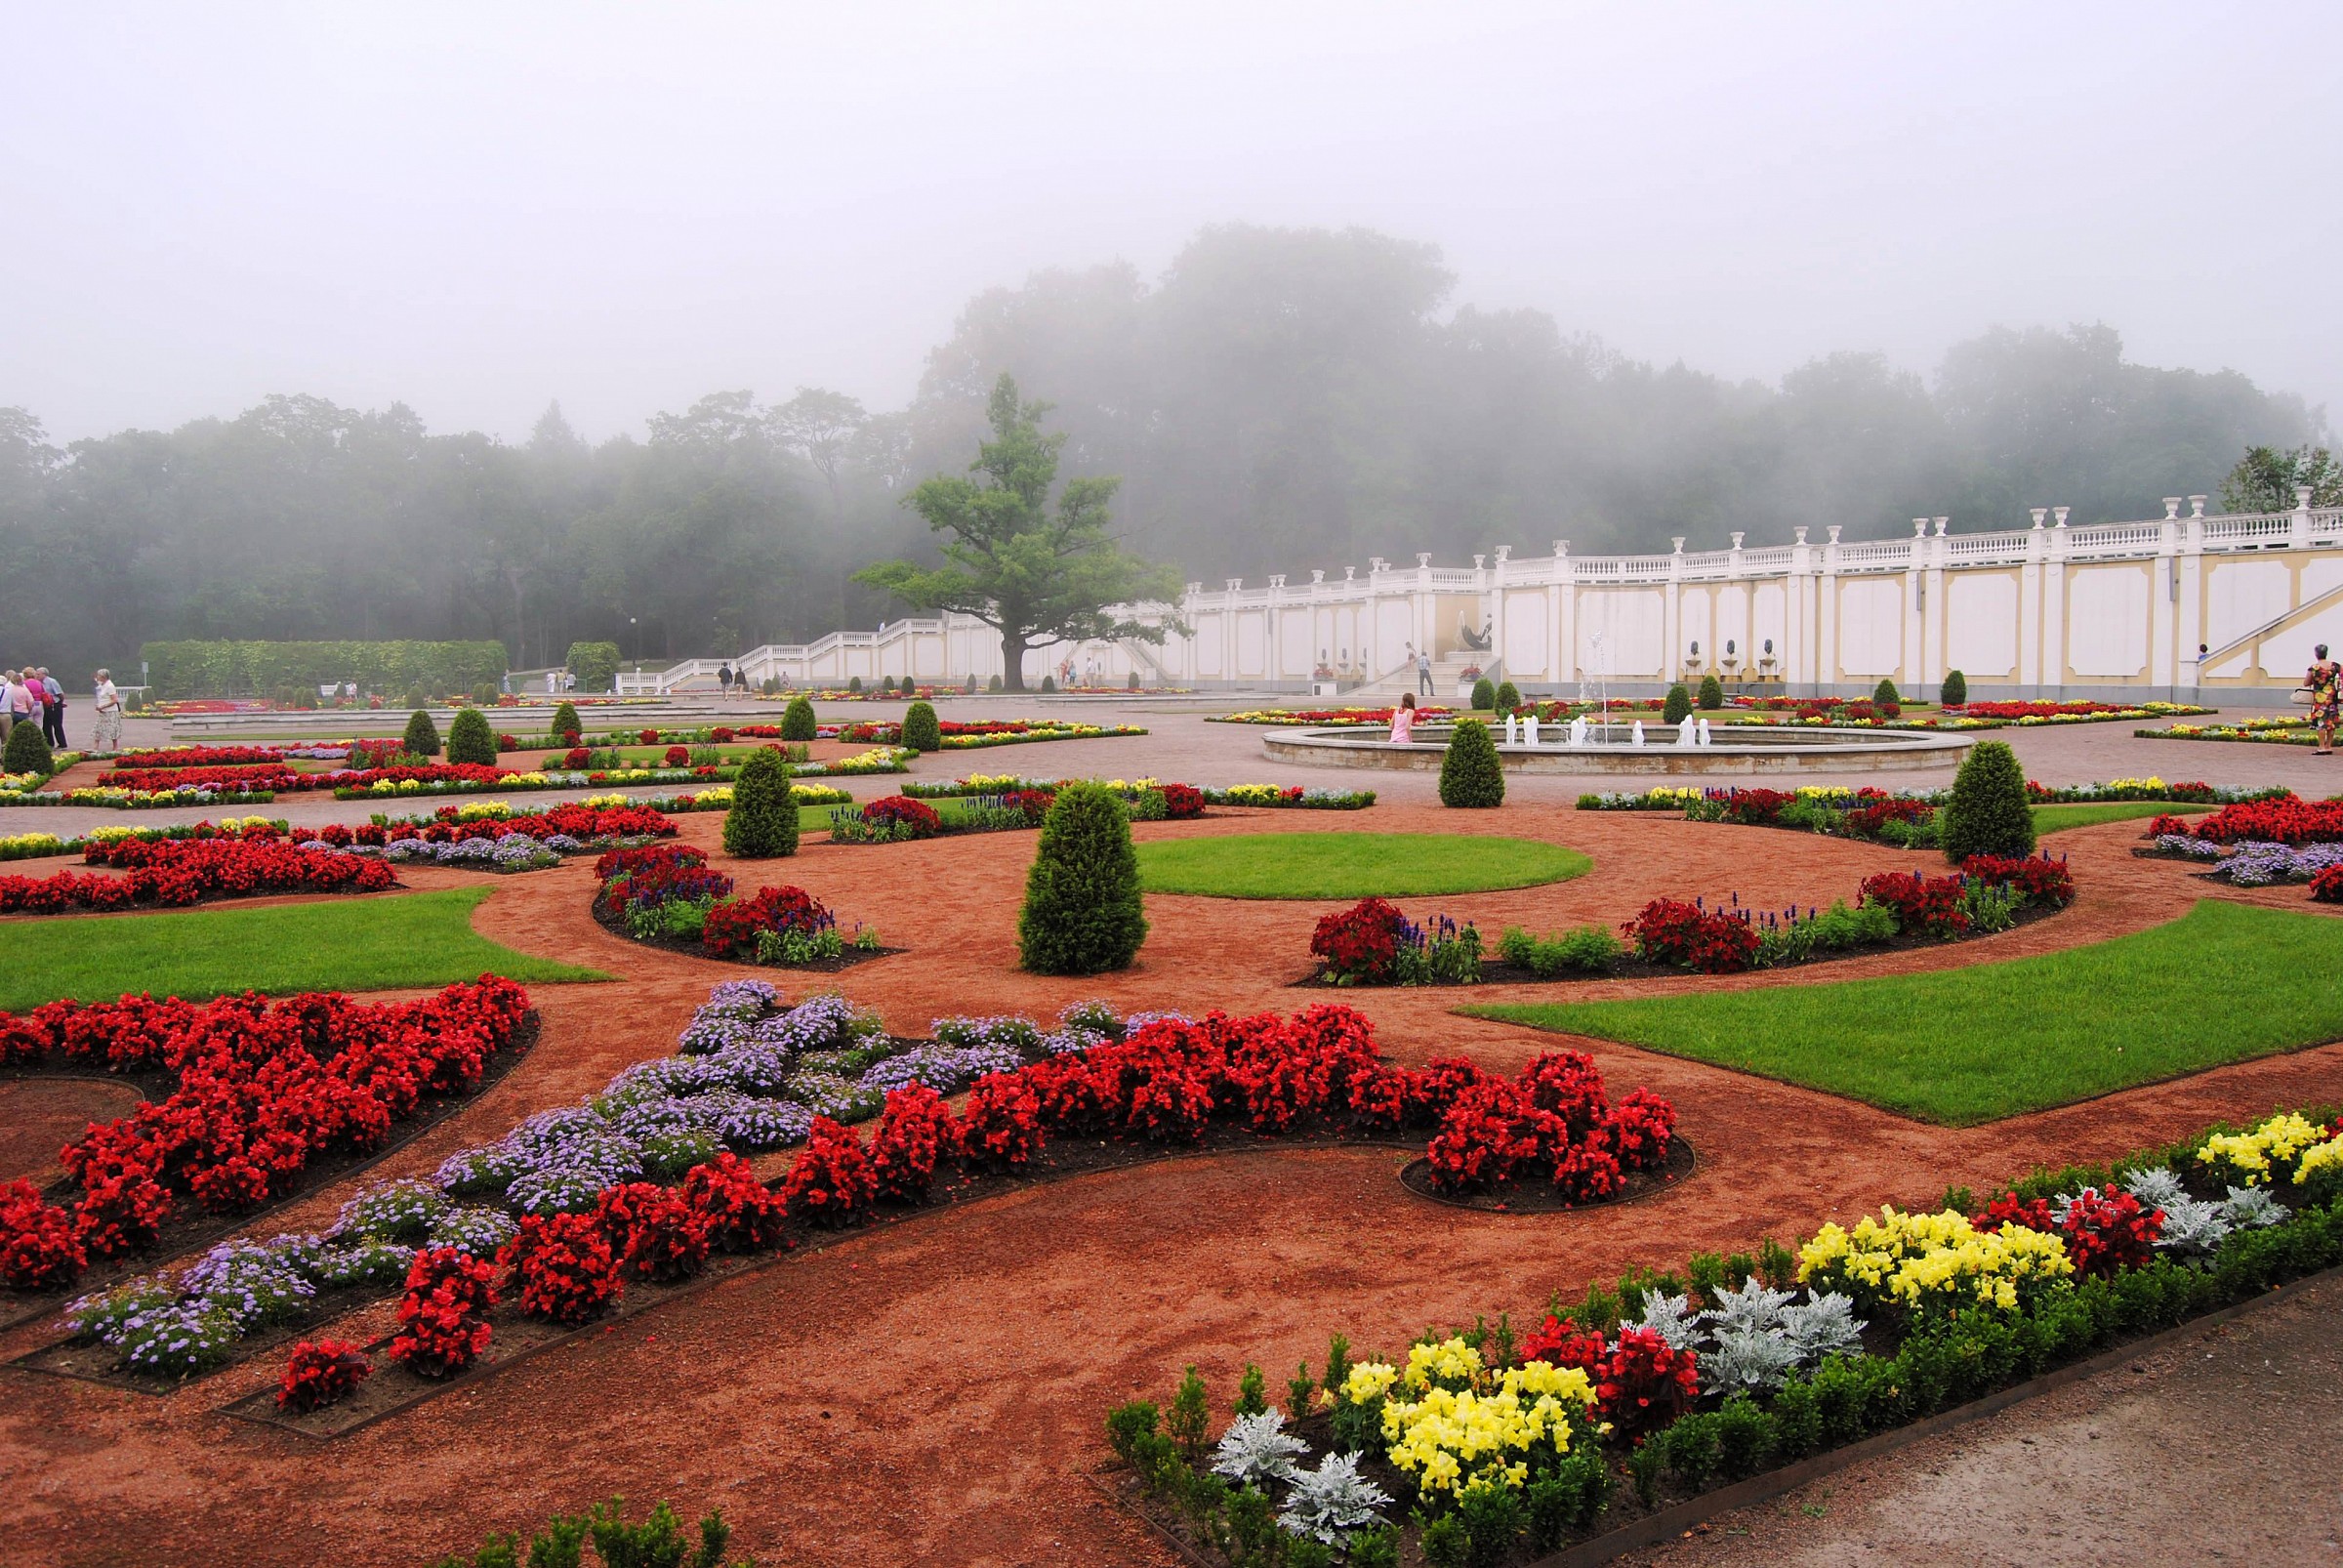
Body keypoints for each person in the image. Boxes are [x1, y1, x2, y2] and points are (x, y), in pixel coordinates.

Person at [2310, 643, 2342, 755]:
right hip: (2332, 697)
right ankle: (2328, 746)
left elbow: (2306, 682)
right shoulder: (2335, 666)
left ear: (2316, 654)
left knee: (2321, 721)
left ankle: (2321, 746)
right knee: (2331, 720)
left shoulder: (2314, 668)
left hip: (2320, 698)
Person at [91, 669, 123, 753]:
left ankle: (115, 748)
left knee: (113, 729)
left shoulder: (110, 686)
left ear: (103, 676)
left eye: (98, 675)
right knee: (98, 728)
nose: (97, 677)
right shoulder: (103, 685)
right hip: (103, 711)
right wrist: (99, 706)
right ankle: (95, 747)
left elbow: (114, 700)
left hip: (111, 711)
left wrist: (103, 706)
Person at [39, 667, 64, 747]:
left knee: (57, 725)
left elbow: (60, 694)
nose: (37, 675)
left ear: (44, 674)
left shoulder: (52, 681)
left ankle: (62, 744)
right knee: (46, 725)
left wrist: (60, 703)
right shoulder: (39, 683)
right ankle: (49, 744)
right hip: (46, 705)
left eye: (38, 674)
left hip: (55, 704)